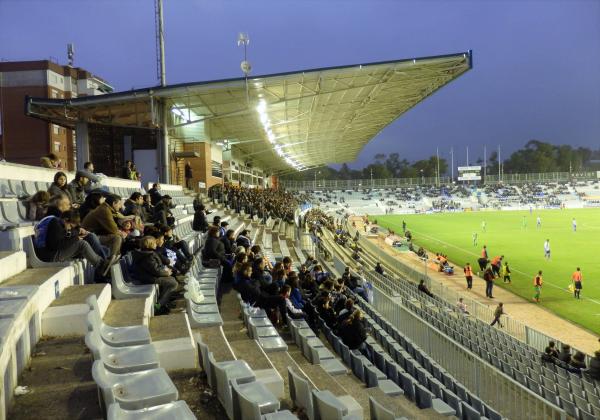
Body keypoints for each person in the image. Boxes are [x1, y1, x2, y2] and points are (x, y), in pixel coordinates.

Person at [33, 209, 110, 276]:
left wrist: (78, 231)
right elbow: (56, 245)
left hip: (53, 252)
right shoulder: (55, 224)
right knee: (82, 244)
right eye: (71, 226)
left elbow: (67, 235)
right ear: (65, 220)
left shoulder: (60, 223)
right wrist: (76, 238)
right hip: (49, 255)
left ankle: (106, 257)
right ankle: (100, 265)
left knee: (88, 240)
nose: (70, 229)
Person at [130, 236, 178, 315]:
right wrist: (167, 273)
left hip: (147, 276)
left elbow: (155, 268)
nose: (156, 244)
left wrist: (165, 271)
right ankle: (158, 306)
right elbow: (156, 271)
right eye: (155, 243)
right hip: (148, 278)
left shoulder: (145, 253)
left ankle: (164, 302)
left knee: (171, 280)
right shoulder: (148, 256)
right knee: (173, 283)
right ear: (150, 244)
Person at [81, 194, 123, 259]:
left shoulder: (105, 208)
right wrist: (121, 233)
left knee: (117, 237)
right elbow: (114, 230)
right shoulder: (105, 210)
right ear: (114, 203)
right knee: (116, 238)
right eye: (119, 204)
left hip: (92, 235)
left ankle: (113, 258)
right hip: (88, 237)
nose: (120, 206)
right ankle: (109, 261)